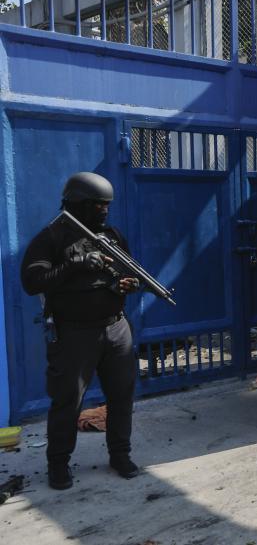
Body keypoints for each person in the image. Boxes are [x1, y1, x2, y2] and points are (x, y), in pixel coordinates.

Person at [20, 172, 141, 490]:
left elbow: (126, 271)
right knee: (67, 401)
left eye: (107, 205)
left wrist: (125, 284)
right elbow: (32, 282)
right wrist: (75, 264)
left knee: (122, 396)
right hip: (74, 335)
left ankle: (120, 454)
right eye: (97, 205)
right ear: (78, 203)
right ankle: (58, 464)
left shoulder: (110, 235)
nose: (104, 211)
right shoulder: (53, 237)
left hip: (116, 328)